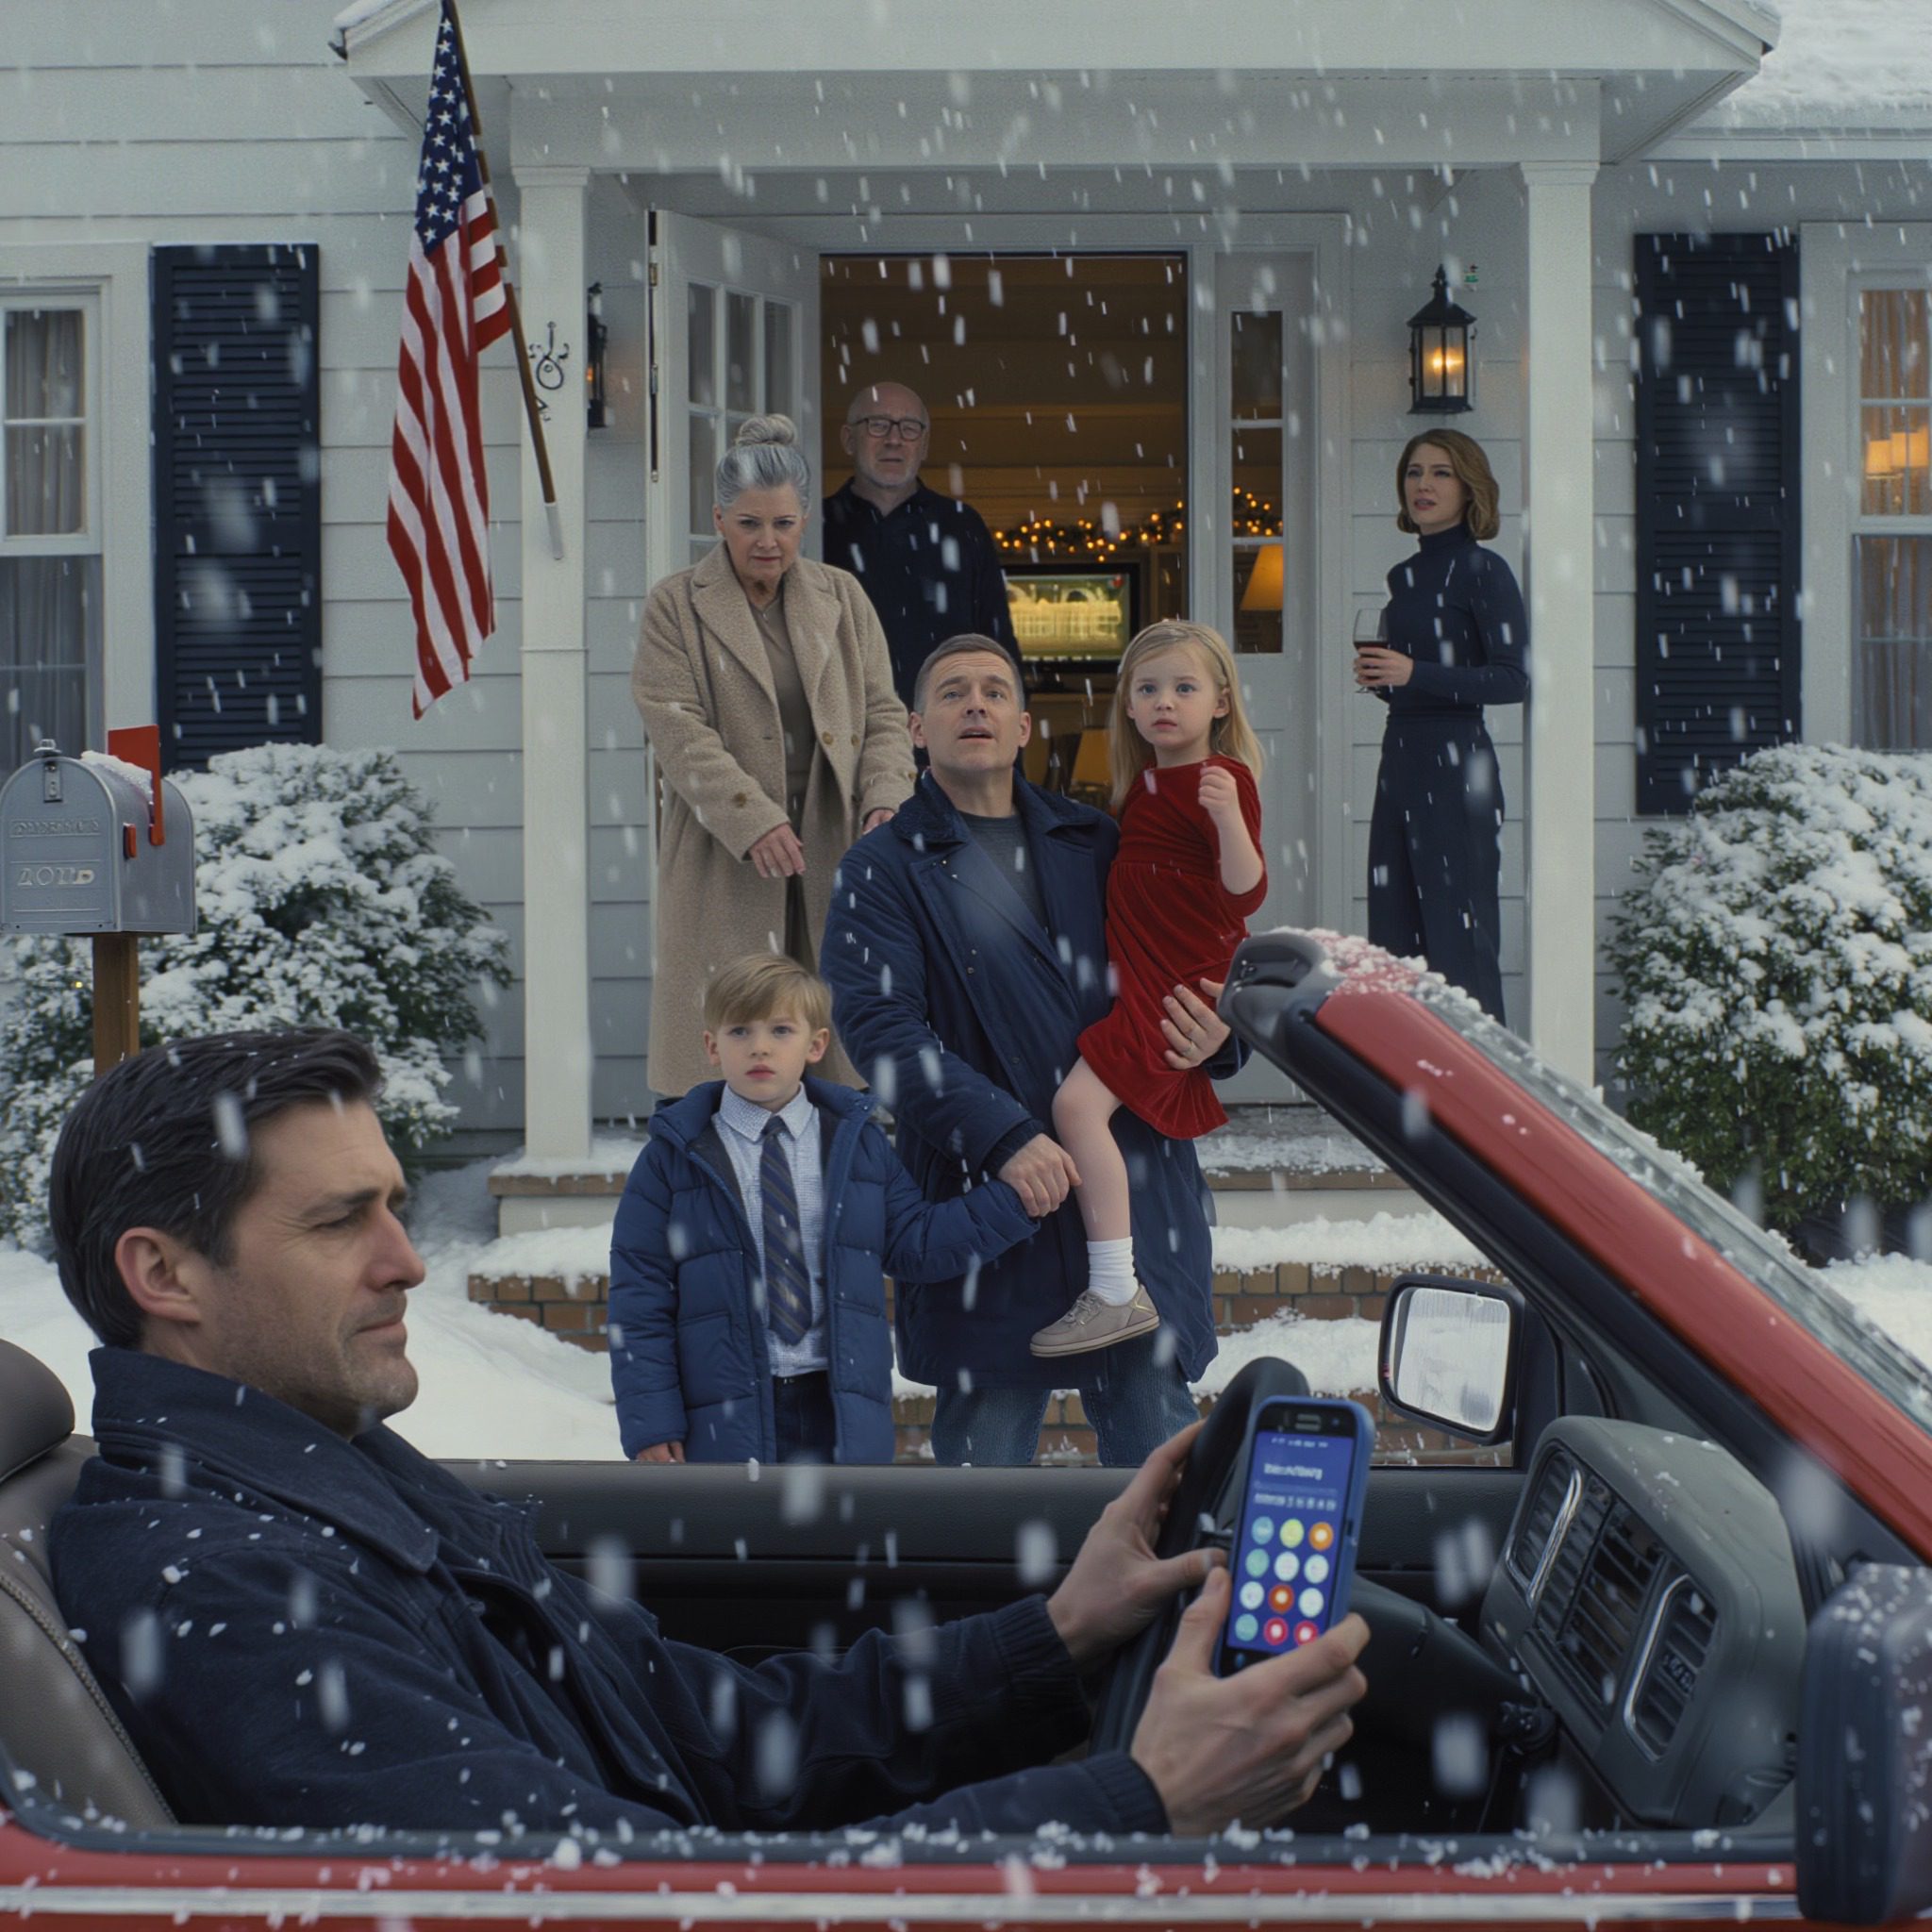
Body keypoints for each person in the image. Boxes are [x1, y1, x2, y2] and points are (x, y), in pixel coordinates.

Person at [46, 1028, 1369, 1841]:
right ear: (164, 1273)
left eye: (394, 1206)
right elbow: (621, 1904)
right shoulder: (216, 1585)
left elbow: (712, 1730)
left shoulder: (331, 1477)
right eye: (342, 1221)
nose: (408, 1259)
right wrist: (1139, 1800)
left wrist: (1059, 1635)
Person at [822, 637, 1239, 1467]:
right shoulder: (882, 870)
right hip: (991, 1204)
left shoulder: (1101, 840)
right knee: (984, 1488)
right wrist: (1005, 1137)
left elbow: (1191, 944)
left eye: (994, 691)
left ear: (1022, 726)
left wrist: (1218, 1031)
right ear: (916, 729)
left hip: (1131, 1194)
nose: (975, 704)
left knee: (1162, 1489)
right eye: (952, 693)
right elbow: (882, 1028)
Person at [608, 954, 1039, 1466]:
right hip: (724, 1409)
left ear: (816, 1045)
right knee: (739, 1521)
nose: (760, 1046)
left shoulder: (856, 1145)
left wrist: (1016, 1200)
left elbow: (916, 1243)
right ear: (711, 1046)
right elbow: (640, 1300)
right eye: (740, 1031)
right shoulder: (673, 1158)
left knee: (838, 1522)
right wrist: (652, 1421)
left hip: (839, 1405)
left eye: (781, 1030)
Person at [635, 414, 916, 1097]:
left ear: (804, 521)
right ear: (719, 520)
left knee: (836, 1045)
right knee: (727, 1044)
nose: (768, 541)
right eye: (750, 524)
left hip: (835, 840)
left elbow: (883, 712)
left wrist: (887, 796)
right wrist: (753, 818)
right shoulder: (676, 604)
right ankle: (713, 1158)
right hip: (723, 851)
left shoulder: (843, 597)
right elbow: (675, 727)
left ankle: (835, 1156)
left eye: (784, 524)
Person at [1035, 622, 1267, 1358]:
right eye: (1149, 689)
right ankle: (1116, 1284)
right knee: (1083, 1109)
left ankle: (1114, 1287)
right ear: (1130, 707)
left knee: (1076, 1108)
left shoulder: (1223, 780)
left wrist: (1228, 818)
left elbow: (1245, 892)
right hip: (1142, 975)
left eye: (1184, 687)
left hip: (1173, 987)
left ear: (1221, 702)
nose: (1165, 701)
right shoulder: (1143, 788)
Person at [1354, 430, 1527, 1024]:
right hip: (1401, 759)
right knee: (1394, 938)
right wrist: (1385, 679)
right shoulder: (1403, 575)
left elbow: (1511, 679)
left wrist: (1415, 671)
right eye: (1414, 472)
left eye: (1441, 473)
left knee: (1460, 942)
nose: (1423, 485)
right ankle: (1407, 1073)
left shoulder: (1484, 570)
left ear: (1470, 486)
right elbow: (1414, 678)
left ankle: (1481, 1075)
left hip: (1456, 766)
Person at [821, 380, 1023, 708]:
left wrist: (1008, 726)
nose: (894, 439)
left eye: (909, 428)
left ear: (924, 444)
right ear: (848, 439)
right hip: (842, 724)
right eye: (878, 425)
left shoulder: (962, 527)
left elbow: (997, 645)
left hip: (944, 725)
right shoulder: (816, 528)